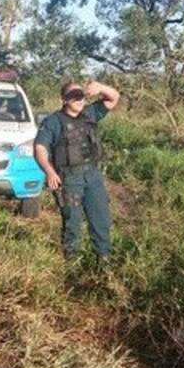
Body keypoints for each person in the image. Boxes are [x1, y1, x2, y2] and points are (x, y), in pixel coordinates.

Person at [34, 80, 120, 262]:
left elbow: (114, 98)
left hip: (92, 175)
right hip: (69, 178)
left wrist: (101, 88)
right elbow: (40, 148)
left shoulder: (90, 113)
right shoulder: (53, 122)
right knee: (72, 221)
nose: (79, 100)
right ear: (64, 99)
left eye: (81, 96)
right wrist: (50, 172)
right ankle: (71, 261)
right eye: (74, 97)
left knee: (100, 218)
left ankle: (103, 259)